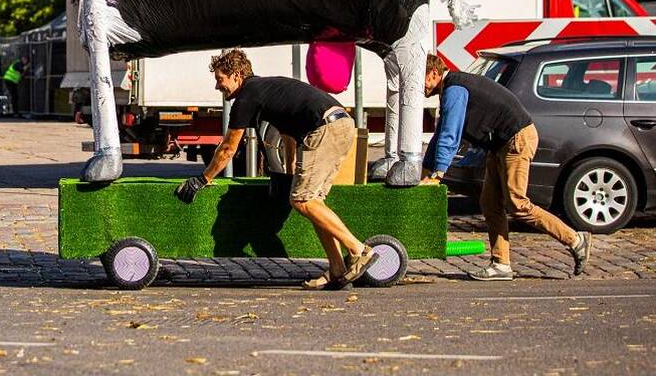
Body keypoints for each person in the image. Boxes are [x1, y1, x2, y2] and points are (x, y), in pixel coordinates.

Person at [175, 49, 379, 290]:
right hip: (340, 123)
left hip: (324, 128)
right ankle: (337, 268)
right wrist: (289, 172)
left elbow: (228, 148)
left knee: (303, 200)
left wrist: (202, 178)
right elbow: (287, 133)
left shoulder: (247, 96)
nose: (219, 87)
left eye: (220, 79)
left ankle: (358, 249)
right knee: (314, 202)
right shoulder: (265, 89)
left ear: (237, 75)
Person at [422, 54, 592, 280]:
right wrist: (425, 171)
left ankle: (575, 239)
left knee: (517, 203)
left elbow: (450, 133)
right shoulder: (451, 88)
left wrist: (438, 173)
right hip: (500, 143)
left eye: (419, 80)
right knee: (490, 203)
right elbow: (440, 134)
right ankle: (501, 264)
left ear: (434, 73)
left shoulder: (455, 89)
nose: (416, 87)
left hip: (516, 138)